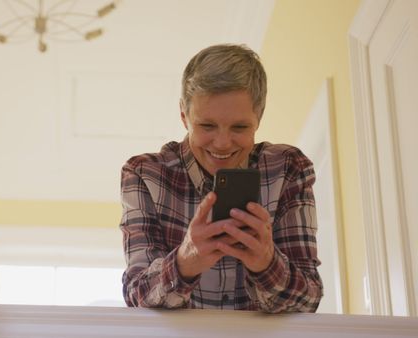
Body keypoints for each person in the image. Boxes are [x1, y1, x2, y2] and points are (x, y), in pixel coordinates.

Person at [119, 44, 323, 312]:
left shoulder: (288, 169)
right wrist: (185, 261)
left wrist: (266, 263)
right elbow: (136, 296)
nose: (223, 143)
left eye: (240, 127)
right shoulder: (144, 174)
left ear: (259, 117)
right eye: (207, 126)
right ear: (184, 115)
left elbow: (309, 300)